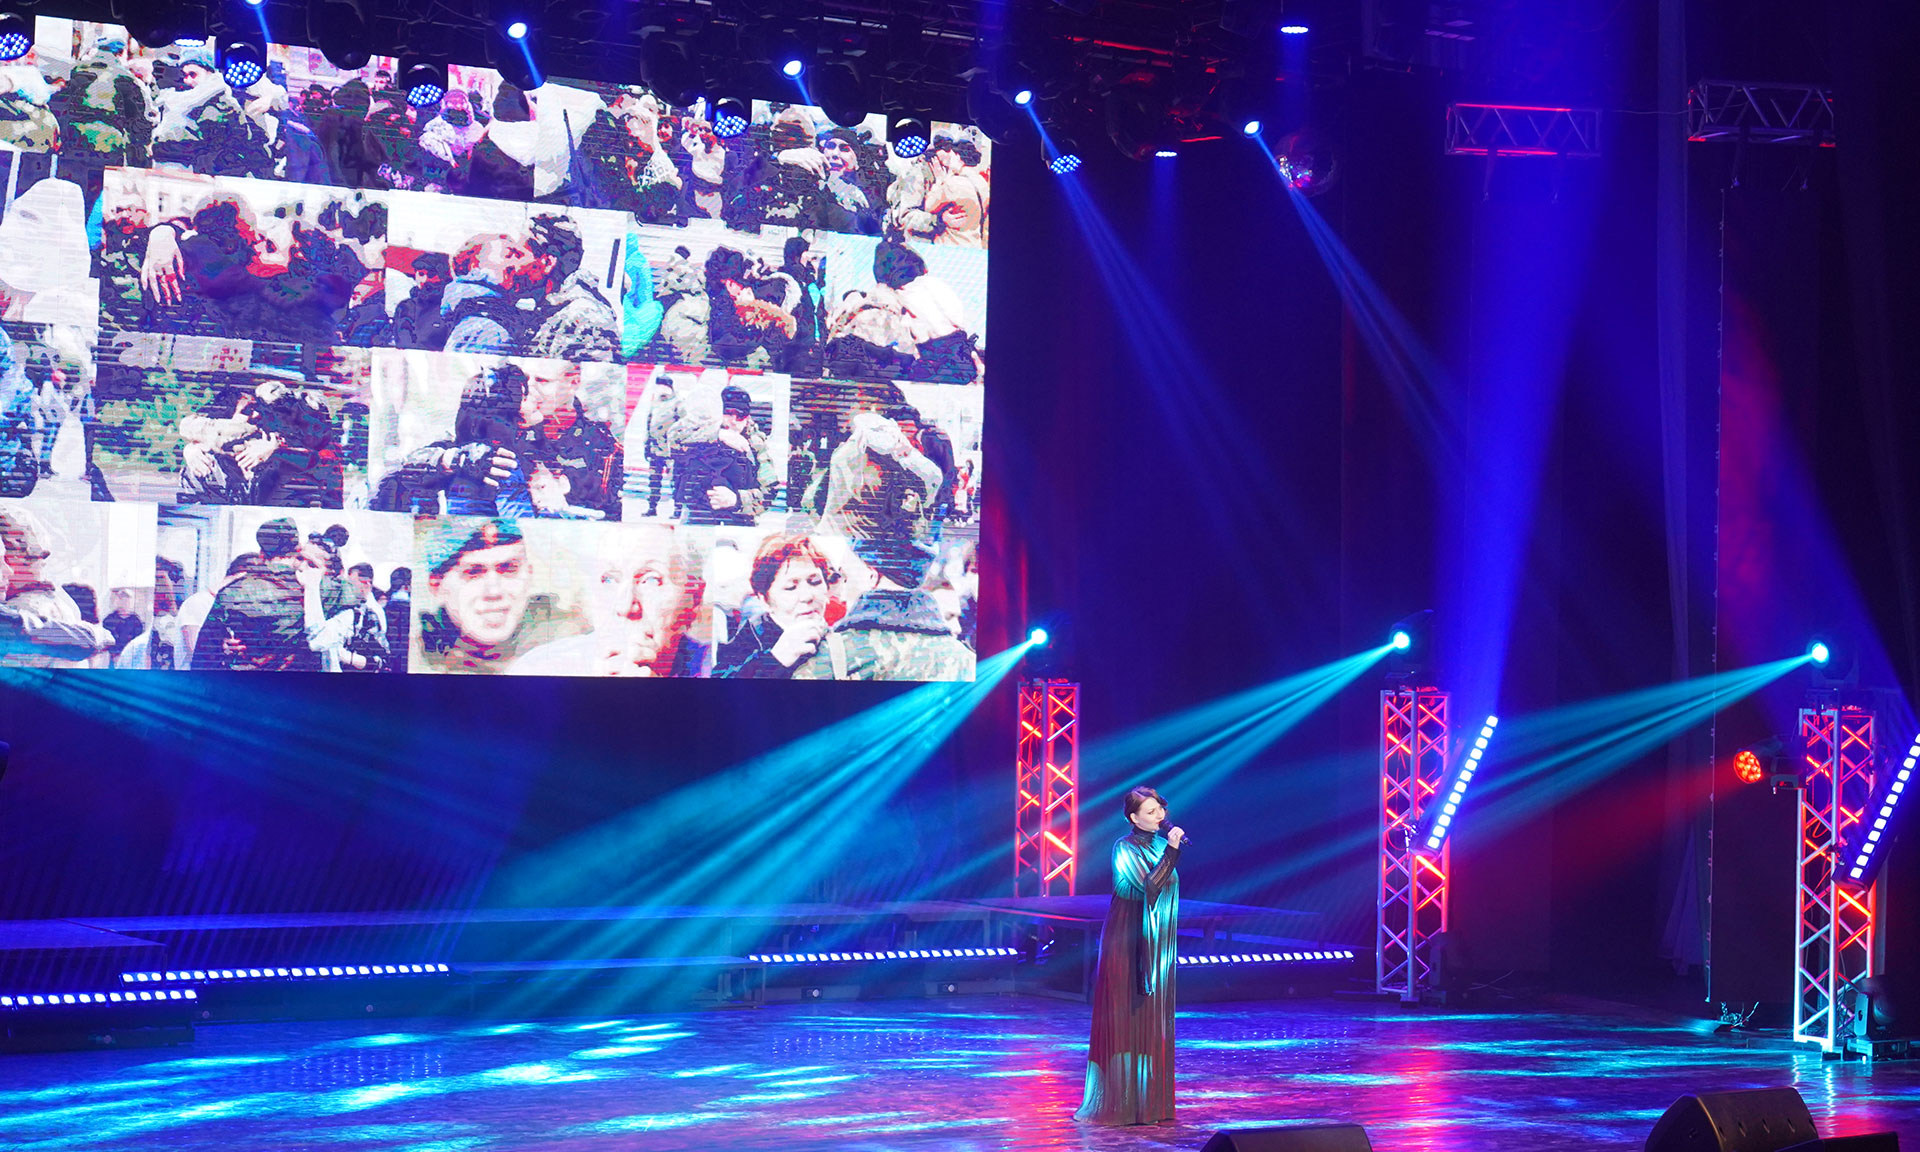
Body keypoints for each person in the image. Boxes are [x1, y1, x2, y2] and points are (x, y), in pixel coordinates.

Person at [1075, 785, 1186, 1126]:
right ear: (1133, 818)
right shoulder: (1124, 847)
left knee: (1153, 1016)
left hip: (1157, 941)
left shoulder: (1160, 844)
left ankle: (1150, 1103)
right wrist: (1172, 852)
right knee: (1127, 1012)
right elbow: (1150, 886)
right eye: (1151, 812)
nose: (1159, 816)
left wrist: (1169, 850)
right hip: (1128, 939)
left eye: (1160, 809)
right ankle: (1121, 1103)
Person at [513, 522, 705, 677]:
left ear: (694, 598)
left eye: (651, 580)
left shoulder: (715, 668)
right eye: (609, 579)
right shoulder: (538, 669)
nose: (625, 607)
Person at [416, 518, 555, 673]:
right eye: (473, 572)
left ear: (529, 574)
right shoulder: (417, 657)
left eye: (509, 568)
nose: (494, 592)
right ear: (436, 585)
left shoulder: (562, 641)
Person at [713, 534, 833, 678]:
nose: (807, 596)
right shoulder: (745, 643)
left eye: (815, 582)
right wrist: (774, 660)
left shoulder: (842, 637)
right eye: (790, 587)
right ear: (764, 600)